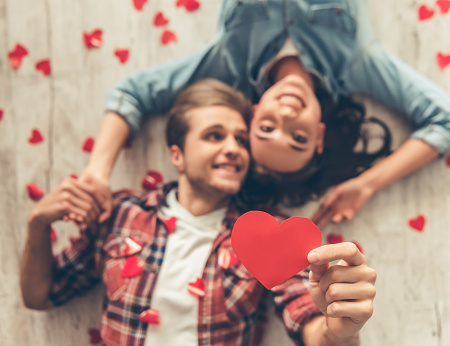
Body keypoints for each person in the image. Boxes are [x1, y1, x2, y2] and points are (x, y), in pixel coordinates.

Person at [21, 79, 376, 346]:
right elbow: (40, 295)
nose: (232, 148)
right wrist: (38, 223)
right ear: (177, 155)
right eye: (214, 136)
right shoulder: (120, 215)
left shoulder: (268, 235)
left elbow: (312, 326)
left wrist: (339, 329)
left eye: (240, 138)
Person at [79, 0, 450, 227]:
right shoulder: (356, 62)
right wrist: (367, 185)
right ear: (318, 135)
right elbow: (449, 121)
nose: (285, 115)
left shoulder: (228, 60)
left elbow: (132, 93)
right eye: (298, 138)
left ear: (251, 113)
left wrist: (97, 172)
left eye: (265, 129)